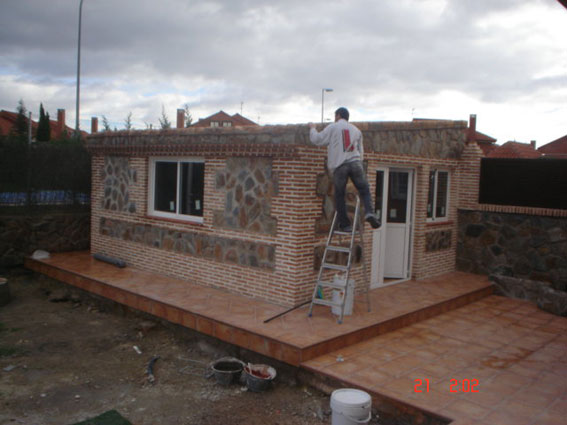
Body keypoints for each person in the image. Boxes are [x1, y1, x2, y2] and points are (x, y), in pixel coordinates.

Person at [309, 107, 381, 232]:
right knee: (364, 190)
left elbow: (318, 140)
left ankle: (345, 224)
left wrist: (312, 128)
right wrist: (358, 163)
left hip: (340, 165)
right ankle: (370, 212)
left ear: (338, 115)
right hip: (355, 163)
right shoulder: (357, 131)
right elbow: (361, 152)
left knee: (339, 195)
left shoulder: (333, 127)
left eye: (335, 116)